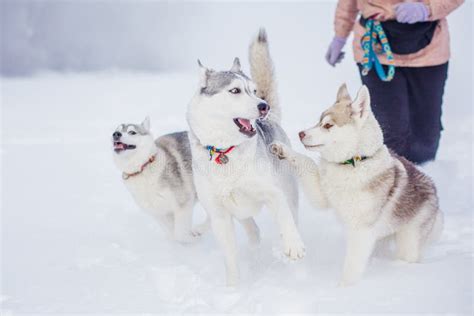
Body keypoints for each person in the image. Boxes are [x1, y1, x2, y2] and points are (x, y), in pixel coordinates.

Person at [326, 0, 464, 164]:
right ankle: (390, 180)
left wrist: (427, 9)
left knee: (425, 135)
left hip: (429, 51)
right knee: (390, 129)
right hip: (375, 49)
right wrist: (340, 36)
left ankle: (422, 176)